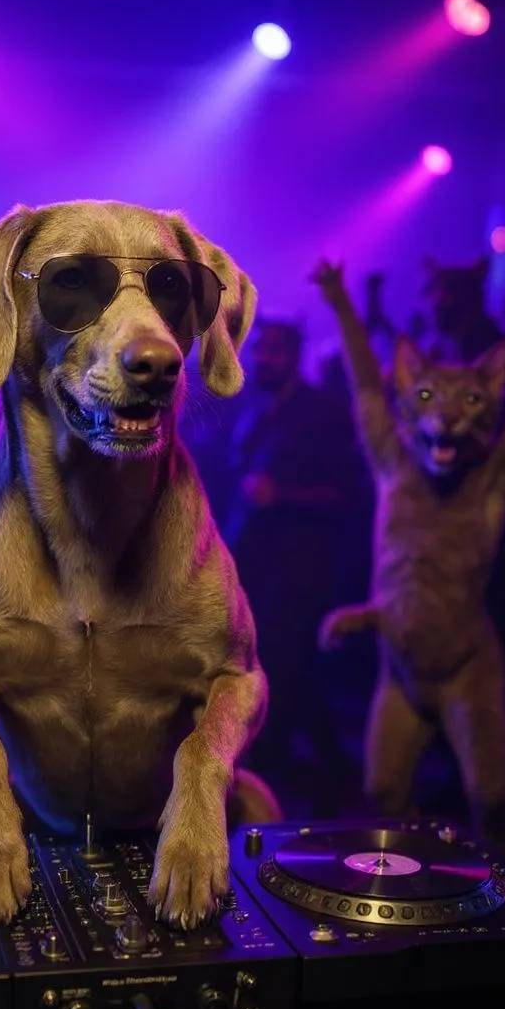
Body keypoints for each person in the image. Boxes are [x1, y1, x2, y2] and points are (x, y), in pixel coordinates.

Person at [225, 319, 355, 812]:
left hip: (303, 566)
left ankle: (288, 775)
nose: (263, 359)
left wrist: (284, 495)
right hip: (257, 561)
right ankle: (328, 772)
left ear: (295, 354)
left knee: (288, 666)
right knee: (283, 667)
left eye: (274, 351)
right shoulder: (255, 408)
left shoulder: (321, 412)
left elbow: (346, 495)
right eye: (259, 350)